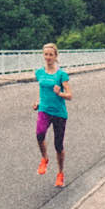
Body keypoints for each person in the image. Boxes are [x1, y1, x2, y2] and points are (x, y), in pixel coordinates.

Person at [33, 42, 71, 187]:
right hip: (44, 110)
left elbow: (70, 95)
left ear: (55, 56)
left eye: (50, 55)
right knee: (39, 134)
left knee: (58, 146)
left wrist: (60, 93)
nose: (48, 57)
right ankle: (44, 158)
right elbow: (43, 91)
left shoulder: (61, 75)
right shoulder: (39, 73)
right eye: (45, 54)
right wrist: (38, 102)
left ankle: (60, 173)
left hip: (59, 113)